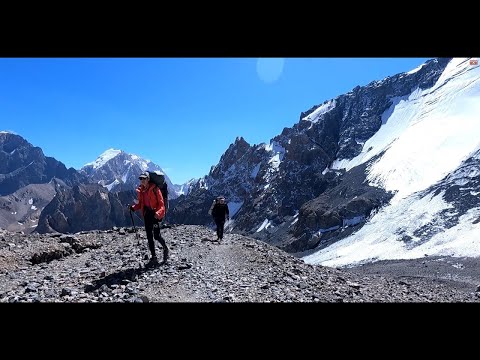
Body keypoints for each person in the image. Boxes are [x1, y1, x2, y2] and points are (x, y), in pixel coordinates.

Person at [129, 172, 169, 267]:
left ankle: (165, 248)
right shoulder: (141, 190)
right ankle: (154, 257)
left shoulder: (155, 189)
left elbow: (161, 204)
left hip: (155, 214)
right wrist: (133, 207)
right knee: (149, 236)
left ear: (148, 179)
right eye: (141, 179)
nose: (142, 180)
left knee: (156, 236)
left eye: (144, 178)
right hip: (147, 214)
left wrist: (158, 214)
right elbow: (140, 204)